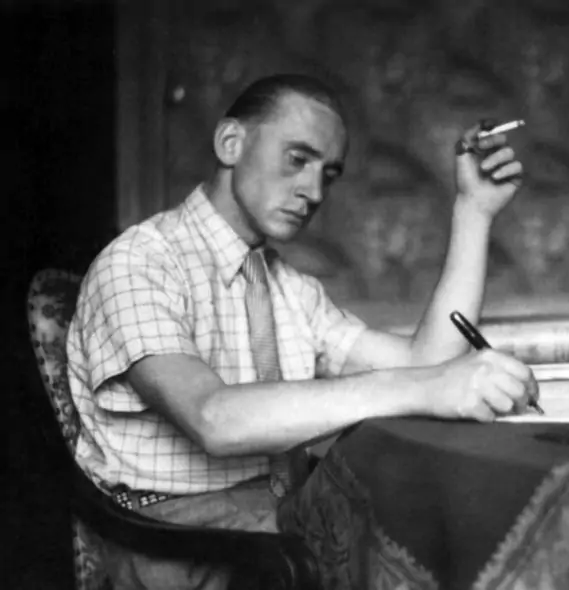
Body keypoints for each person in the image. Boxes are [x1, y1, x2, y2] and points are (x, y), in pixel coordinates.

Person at [65, 72, 537, 588]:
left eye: (328, 174)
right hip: (175, 541)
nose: (313, 191)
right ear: (230, 143)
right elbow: (213, 418)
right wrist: (422, 388)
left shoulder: (289, 288)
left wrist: (474, 211)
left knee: (455, 539)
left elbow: (428, 362)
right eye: (297, 159)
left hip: (276, 525)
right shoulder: (140, 262)